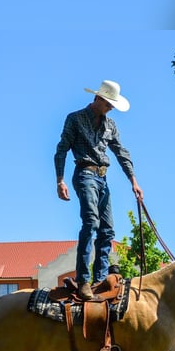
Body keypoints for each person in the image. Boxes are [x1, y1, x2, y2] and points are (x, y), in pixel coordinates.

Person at [54, 80, 144, 300]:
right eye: (109, 103)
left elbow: (121, 152)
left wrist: (133, 180)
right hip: (84, 173)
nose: (111, 108)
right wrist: (60, 180)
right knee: (91, 222)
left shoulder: (111, 125)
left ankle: (100, 278)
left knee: (107, 230)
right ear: (98, 98)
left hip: (103, 178)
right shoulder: (74, 119)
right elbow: (62, 149)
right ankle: (83, 279)